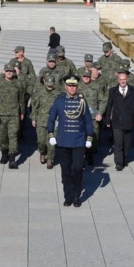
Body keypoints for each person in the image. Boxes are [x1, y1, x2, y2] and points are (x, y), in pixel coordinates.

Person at [47, 77, 91, 207]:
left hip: (78, 141)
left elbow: (88, 121)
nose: (72, 88)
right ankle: (68, 196)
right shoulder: (59, 101)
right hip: (63, 141)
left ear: (77, 87)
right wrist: (51, 134)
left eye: (74, 86)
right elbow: (51, 119)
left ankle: (77, 195)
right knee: (66, 171)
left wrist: (89, 137)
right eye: (70, 86)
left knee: (77, 168)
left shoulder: (82, 102)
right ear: (66, 87)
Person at [104, 68, 134, 171]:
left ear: (127, 79)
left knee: (127, 144)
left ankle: (124, 158)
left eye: (124, 79)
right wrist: (107, 120)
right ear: (118, 80)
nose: (122, 81)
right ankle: (119, 163)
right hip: (117, 121)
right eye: (120, 79)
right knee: (118, 142)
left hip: (129, 120)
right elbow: (109, 106)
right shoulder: (113, 91)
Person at [0, 64, 26, 168]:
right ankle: (4, 153)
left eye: (11, 71)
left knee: (13, 136)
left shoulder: (18, 83)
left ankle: (12, 159)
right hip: (1, 115)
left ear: (14, 72)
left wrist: (22, 113)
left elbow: (21, 100)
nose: (9, 73)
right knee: (2, 137)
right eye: (7, 71)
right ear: (4, 72)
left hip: (14, 115)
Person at [32, 75, 59, 168]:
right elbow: (35, 107)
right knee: (41, 141)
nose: (50, 86)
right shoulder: (39, 93)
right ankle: (42, 152)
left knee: (52, 141)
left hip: (54, 121)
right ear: (45, 82)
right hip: (41, 120)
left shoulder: (58, 94)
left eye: (51, 84)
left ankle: (50, 159)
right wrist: (34, 118)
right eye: (48, 83)